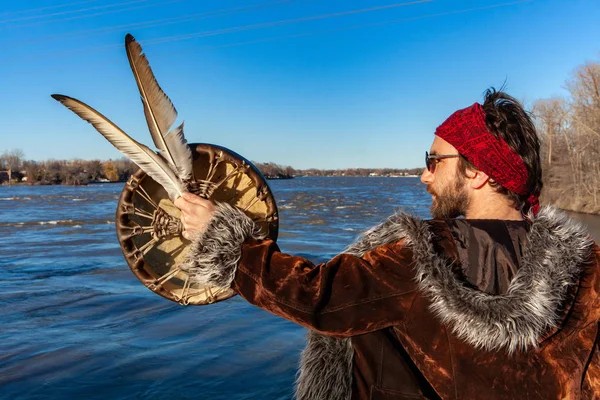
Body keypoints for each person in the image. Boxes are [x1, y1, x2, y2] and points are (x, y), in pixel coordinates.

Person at [174, 88, 600, 400]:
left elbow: (315, 297)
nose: (424, 175)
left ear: (479, 173)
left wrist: (229, 243)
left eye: (434, 161)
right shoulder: (589, 269)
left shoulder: (422, 256)